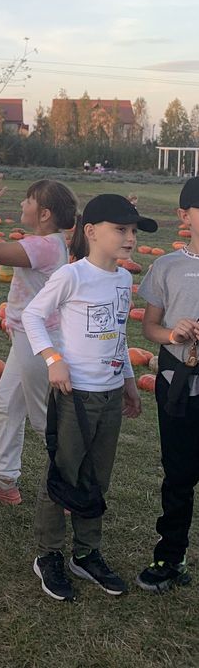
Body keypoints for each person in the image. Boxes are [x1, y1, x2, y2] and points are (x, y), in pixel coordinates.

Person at [22, 193, 152, 601]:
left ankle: (86, 552)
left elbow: (119, 333)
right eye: (121, 229)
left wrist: (128, 380)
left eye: (133, 231)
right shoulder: (72, 275)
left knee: (96, 475)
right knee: (64, 473)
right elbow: (32, 316)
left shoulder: (123, 279)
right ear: (92, 232)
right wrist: (53, 358)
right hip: (75, 394)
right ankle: (49, 554)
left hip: (111, 394)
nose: (129, 238)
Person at [0, 174, 77, 505]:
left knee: (45, 419)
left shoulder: (44, 245)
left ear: (44, 213)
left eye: (27, 200)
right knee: (6, 403)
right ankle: (4, 479)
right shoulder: (49, 242)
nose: (21, 204)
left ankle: (70, 489)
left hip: (38, 340)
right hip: (27, 337)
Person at [136, 176, 199, 592]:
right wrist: (173, 335)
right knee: (178, 474)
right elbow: (149, 327)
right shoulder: (168, 266)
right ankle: (170, 556)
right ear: (184, 216)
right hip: (179, 381)